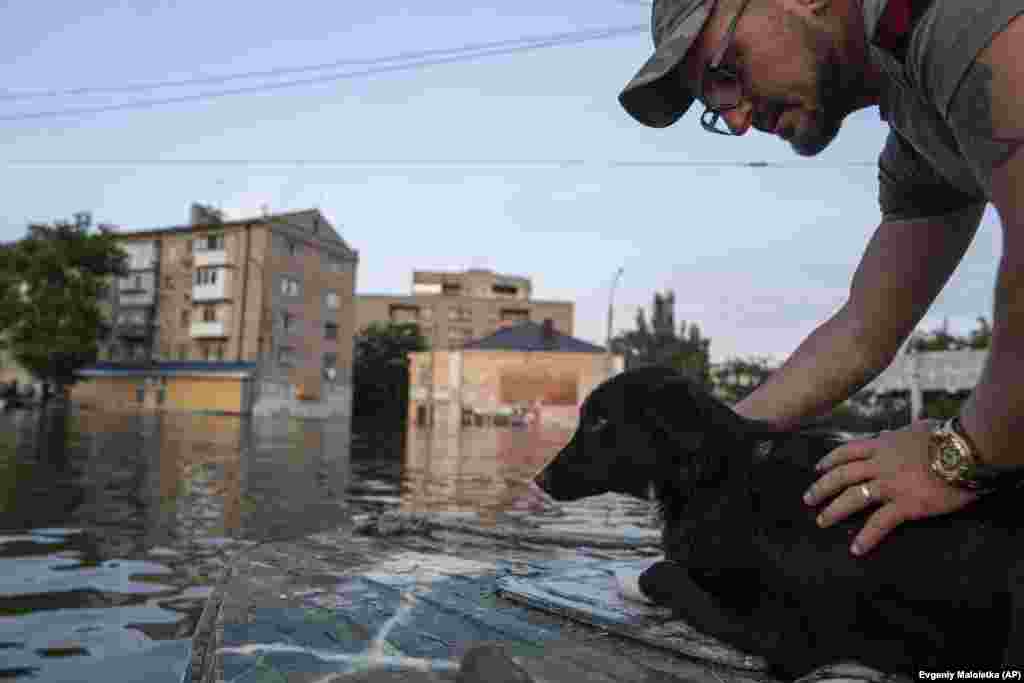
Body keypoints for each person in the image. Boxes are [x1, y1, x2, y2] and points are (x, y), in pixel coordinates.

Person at [618, 0, 1024, 555]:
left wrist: (961, 455)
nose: (736, 119)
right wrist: (714, 449)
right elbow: (862, 331)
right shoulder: (918, 129)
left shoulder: (953, 15)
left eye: (724, 73)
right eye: (711, 106)